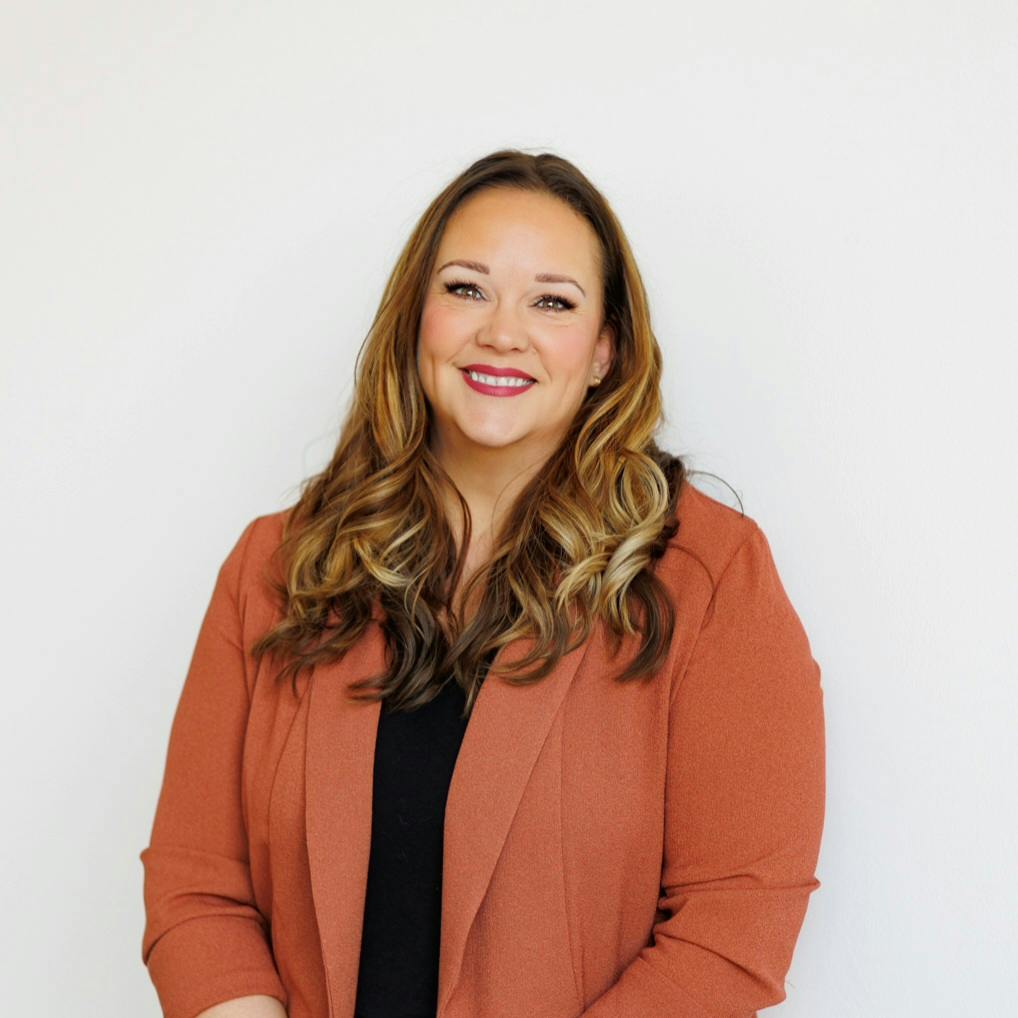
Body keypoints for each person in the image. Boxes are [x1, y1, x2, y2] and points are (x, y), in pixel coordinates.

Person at [139, 149, 826, 1018]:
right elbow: (198, 884)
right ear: (415, 319)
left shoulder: (711, 578)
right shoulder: (279, 568)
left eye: (553, 301)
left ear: (607, 347)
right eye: (466, 289)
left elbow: (734, 928)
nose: (503, 331)